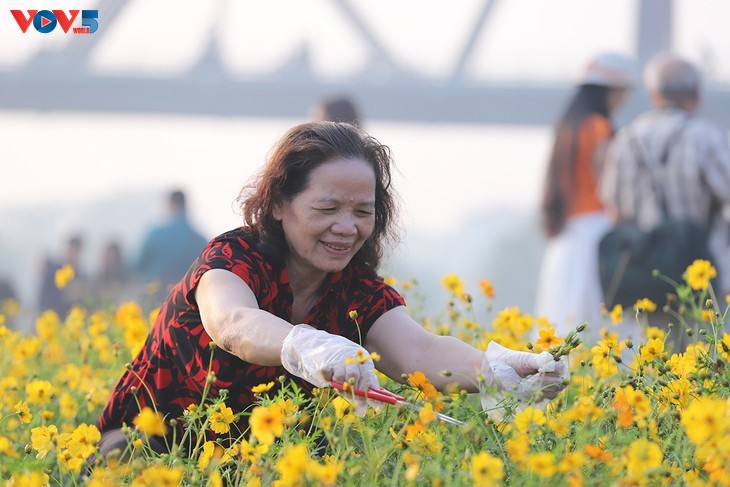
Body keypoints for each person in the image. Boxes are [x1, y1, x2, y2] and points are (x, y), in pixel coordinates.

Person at [96, 122, 568, 458]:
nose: (346, 227)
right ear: (280, 203)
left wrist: (496, 367)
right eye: (327, 208)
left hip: (266, 465)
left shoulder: (356, 291)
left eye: (362, 212)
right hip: (152, 448)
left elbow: (419, 352)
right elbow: (233, 323)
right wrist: (305, 343)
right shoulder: (234, 258)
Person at [600, 52, 730, 345]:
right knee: (708, 359)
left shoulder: (626, 139)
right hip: (706, 268)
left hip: (648, 272)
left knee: (660, 358)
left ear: (654, 94)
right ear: (697, 94)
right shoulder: (705, 137)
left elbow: (614, 209)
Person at [535, 52, 637, 337]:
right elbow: (609, 184)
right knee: (601, 322)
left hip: (568, 237)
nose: (624, 99)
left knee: (562, 317)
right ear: (608, 90)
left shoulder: (568, 126)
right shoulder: (599, 127)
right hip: (598, 233)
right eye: (622, 91)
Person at [135, 189, 208, 298]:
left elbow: (137, 265)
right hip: (186, 301)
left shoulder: (156, 235)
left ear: (171, 204)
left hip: (155, 299)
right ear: (185, 205)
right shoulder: (200, 241)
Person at [37, 235, 86, 317]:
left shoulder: (80, 276)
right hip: (52, 318)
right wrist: (65, 295)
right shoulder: (53, 271)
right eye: (72, 249)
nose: (74, 254)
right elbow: (44, 298)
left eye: (77, 250)